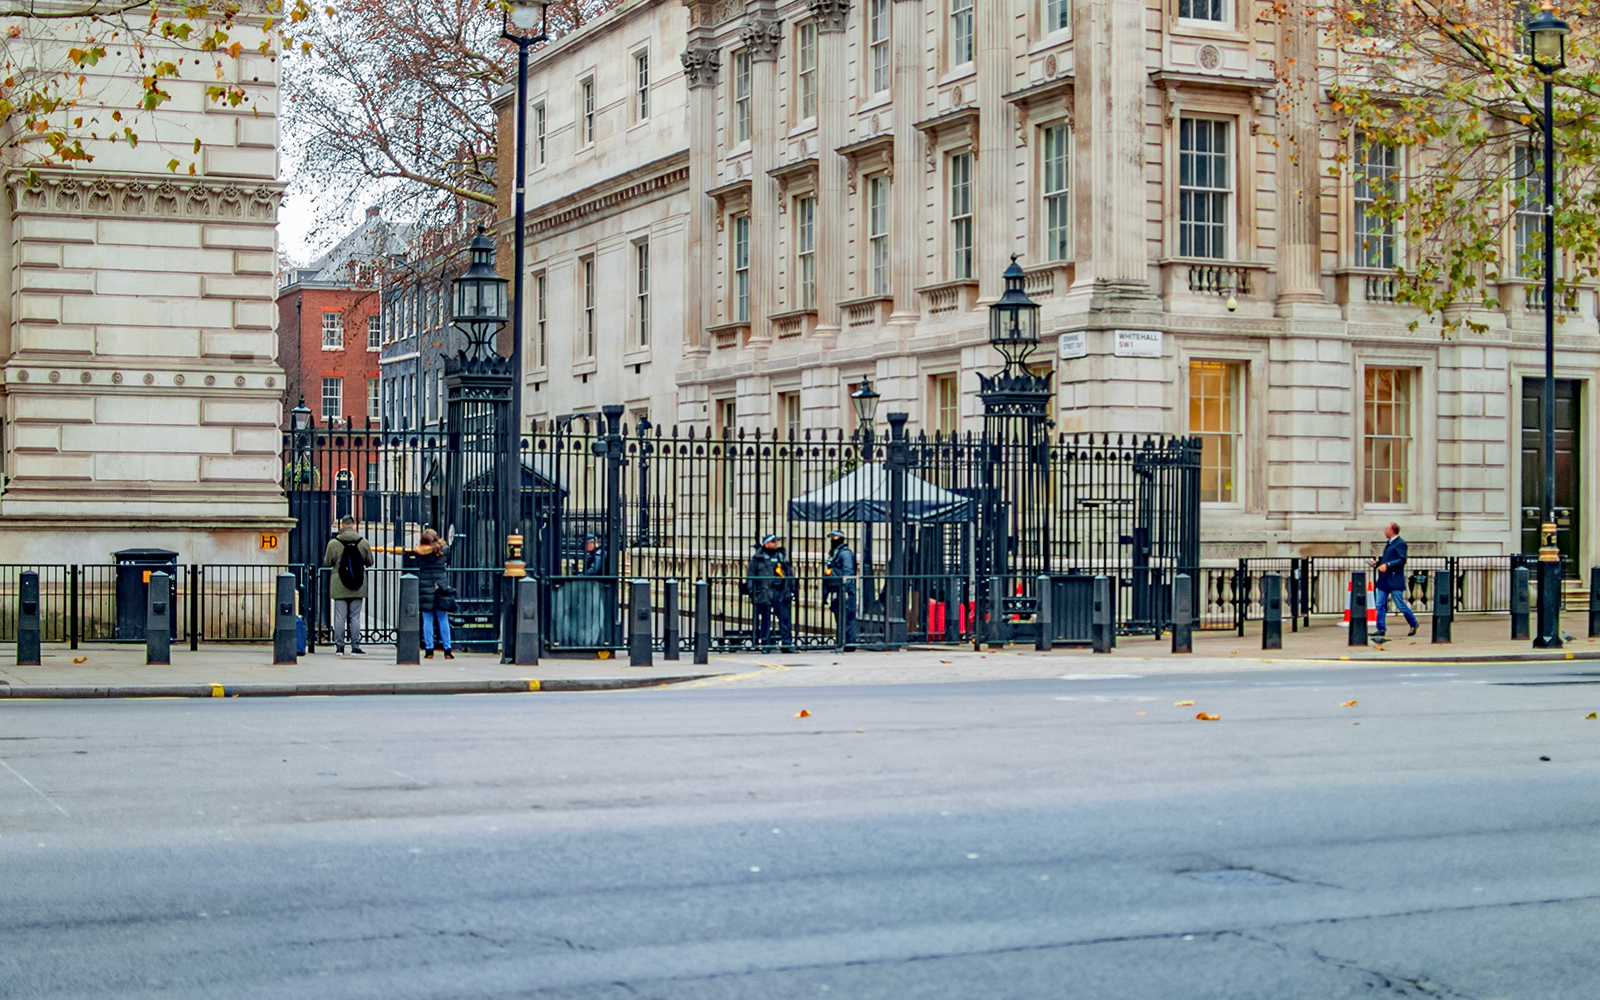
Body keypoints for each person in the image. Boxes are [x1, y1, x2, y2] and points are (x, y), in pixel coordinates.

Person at [322, 515, 372, 656]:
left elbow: (327, 562)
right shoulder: (363, 543)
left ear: (341, 526)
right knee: (355, 617)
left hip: (339, 583)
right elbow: (370, 562)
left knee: (340, 616)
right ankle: (355, 646)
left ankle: (340, 647)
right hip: (358, 583)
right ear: (354, 525)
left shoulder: (334, 543)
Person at [746, 532, 795, 653]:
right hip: (764, 592)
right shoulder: (757, 558)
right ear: (766, 543)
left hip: (781, 591)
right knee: (765, 620)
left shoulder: (781, 556)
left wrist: (793, 590)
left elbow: (789, 574)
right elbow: (751, 577)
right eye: (773, 542)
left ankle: (787, 644)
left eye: (776, 541)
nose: (776, 544)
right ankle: (765, 644)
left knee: (785, 619)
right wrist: (752, 593)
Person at [409, 528, 454, 659]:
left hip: (425, 587)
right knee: (443, 618)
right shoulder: (443, 550)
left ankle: (429, 650)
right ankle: (447, 650)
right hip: (440, 586)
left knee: (427, 619)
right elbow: (448, 561)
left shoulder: (419, 553)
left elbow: (416, 564)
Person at [1373, 521, 1418, 640]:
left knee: (1400, 604)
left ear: (1393, 530)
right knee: (1380, 604)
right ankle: (1381, 629)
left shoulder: (1400, 543)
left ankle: (1413, 623)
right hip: (1384, 579)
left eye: (1386, 529)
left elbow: (1402, 559)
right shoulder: (1390, 543)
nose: (1384, 531)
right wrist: (1378, 563)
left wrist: (1387, 565)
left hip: (1394, 579)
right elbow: (1389, 558)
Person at [823, 529, 857, 648]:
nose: (832, 540)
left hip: (843, 590)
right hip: (835, 589)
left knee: (847, 616)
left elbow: (848, 572)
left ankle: (849, 643)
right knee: (839, 616)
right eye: (831, 538)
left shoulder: (845, 553)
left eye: (835, 538)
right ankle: (841, 641)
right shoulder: (834, 553)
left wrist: (845, 589)